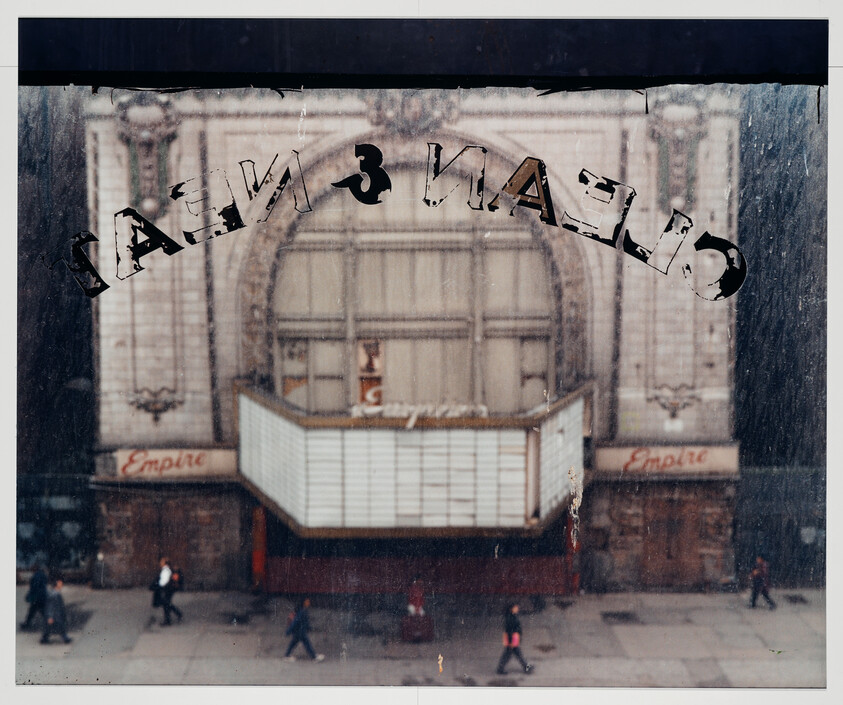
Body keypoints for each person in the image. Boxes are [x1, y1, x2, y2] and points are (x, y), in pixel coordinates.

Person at [496, 603, 533, 675]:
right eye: (515, 607)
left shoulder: (512, 616)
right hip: (512, 639)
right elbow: (510, 631)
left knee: (516, 654)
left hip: (514, 639)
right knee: (509, 655)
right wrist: (511, 642)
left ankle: (526, 667)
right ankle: (500, 669)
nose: (517, 609)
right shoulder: (510, 618)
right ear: (511, 609)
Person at [284, 598, 325, 662]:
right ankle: (314, 657)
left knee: (294, 644)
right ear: (303, 603)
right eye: (307, 602)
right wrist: (289, 630)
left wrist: (309, 628)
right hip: (300, 631)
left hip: (299, 631)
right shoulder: (302, 611)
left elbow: (303, 622)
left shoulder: (302, 610)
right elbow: (296, 622)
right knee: (307, 644)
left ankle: (287, 655)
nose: (308, 603)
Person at [40, 578, 72, 644]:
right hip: (55, 614)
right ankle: (64, 638)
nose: (61, 585)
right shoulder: (54, 594)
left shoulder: (55, 593)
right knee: (58, 626)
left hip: (56, 613)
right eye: (60, 583)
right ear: (56, 585)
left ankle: (45, 638)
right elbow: (50, 606)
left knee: (54, 627)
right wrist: (50, 616)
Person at [156, 557, 183, 626]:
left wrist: (160, 586)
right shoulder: (168, 569)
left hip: (168, 589)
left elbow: (164, 581)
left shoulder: (167, 570)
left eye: (162, 562)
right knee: (167, 603)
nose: (160, 563)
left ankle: (168, 620)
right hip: (169, 589)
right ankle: (177, 614)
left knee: (166, 604)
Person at [21, 564, 48, 630]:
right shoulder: (42, 574)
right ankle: (27, 623)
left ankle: (27, 624)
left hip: (37, 597)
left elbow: (34, 587)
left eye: (32, 569)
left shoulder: (36, 576)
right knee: (37, 611)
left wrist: (29, 595)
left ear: (35, 569)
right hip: (42, 596)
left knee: (35, 611)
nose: (31, 570)